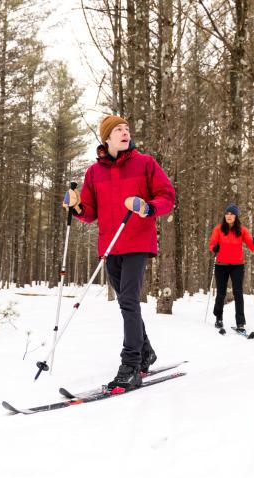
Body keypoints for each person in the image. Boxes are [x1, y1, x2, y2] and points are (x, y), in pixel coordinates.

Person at [63, 115, 175, 390]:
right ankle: (146, 351)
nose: (125, 133)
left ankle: (131, 364)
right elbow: (90, 212)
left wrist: (147, 207)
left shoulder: (145, 163)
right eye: (118, 130)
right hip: (110, 245)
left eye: (127, 129)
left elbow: (167, 196)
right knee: (127, 305)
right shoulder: (94, 173)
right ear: (107, 138)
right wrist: (76, 207)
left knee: (127, 300)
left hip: (137, 241)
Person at [208, 205, 254, 332]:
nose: (228, 216)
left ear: (236, 216)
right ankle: (218, 318)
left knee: (238, 293)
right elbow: (212, 244)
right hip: (221, 265)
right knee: (221, 293)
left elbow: (252, 247)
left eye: (231, 214)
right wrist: (214, 248)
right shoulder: (218, 229)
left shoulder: (242, 230)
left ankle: (240, 323)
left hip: (237, 265)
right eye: (227, 213)